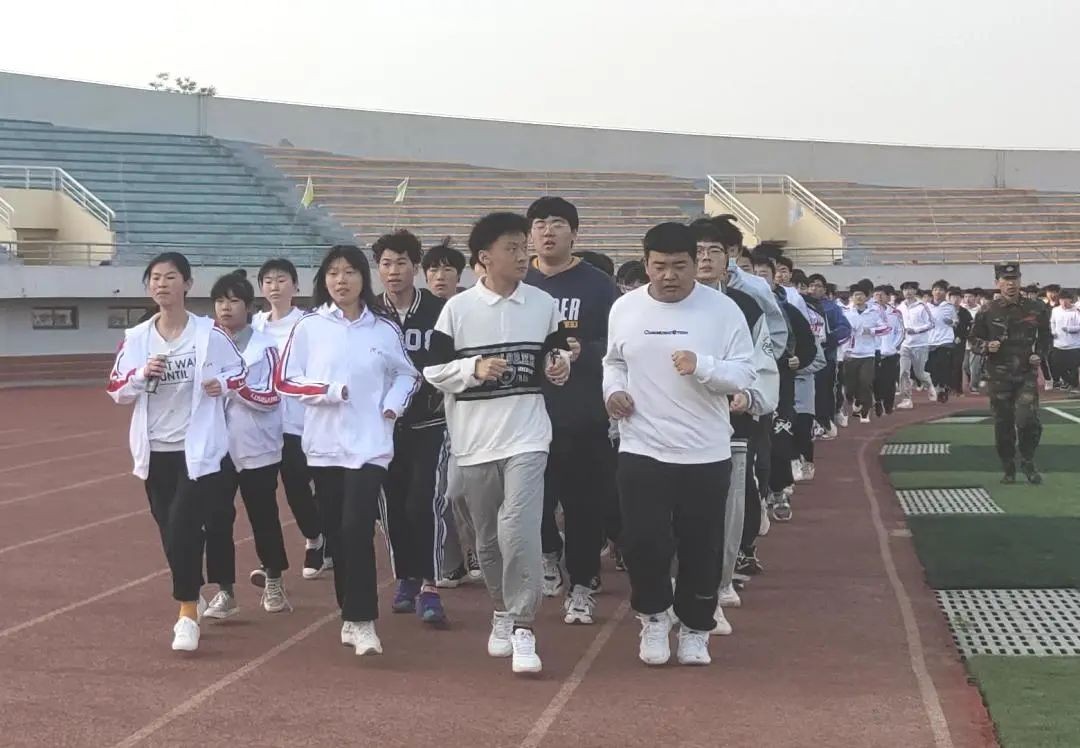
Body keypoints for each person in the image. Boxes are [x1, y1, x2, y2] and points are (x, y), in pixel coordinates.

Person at [424, 212, 572, 675]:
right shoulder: (457, 310)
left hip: (528, 435)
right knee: (487, 538)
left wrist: (559, 365)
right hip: (474, 442)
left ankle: (524, 626)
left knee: (519, 529)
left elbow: (555, 352)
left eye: (523, 246)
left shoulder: (542, 304)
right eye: (512, 248)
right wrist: (473, 369)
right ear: (484, 258)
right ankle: (502, 610)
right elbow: (433, 371)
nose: (523, 255)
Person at [604, 221, 755, 667]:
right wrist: (613, 392)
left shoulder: (723, 310)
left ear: (696, 263)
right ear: (646, 264)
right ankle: (653, 617)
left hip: (704, 450)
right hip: (641, 445)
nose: (669, 276)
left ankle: (695, 628)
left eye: (679, 266)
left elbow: (744, 373)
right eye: (659, 266)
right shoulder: (625, 308)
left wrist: (702, 365)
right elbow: (613, 361)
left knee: (700, 545)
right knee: (643, 542)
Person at [277, 245, 421, 656]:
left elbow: (407, 375)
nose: (342, 280)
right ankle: (349, 614)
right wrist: (328, 391)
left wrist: (392, 406)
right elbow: (286, 380)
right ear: (324, 280)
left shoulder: (382, 328)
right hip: (324, 446)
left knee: (358, 527)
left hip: (370, 445)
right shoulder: (309, 327)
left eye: (350, 272)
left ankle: (362, 621)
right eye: (334, 273)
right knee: (339, 533)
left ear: (363, 277)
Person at [107, 252, 246, 652]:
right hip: (155, 449)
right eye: (155, 278)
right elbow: (116, 388)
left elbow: (240, 371)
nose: (162, 284)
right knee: (169, 529)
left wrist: (222, 384)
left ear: (187, 284)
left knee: (184, 523)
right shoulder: (137, 338)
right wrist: (140, 375)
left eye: (170, 277)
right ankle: (193, 592)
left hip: (197, 449)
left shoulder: (209, 333)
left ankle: (186, 613)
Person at [525, 197, 618, 624]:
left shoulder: (598, 285)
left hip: (584, 416)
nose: (548, 231)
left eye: (558, 223)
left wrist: (587, 351)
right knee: (533, 502)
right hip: (528, 415)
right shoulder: (519, 283)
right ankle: (548, 552)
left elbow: (619, 344)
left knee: (584, 506)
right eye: (540, 224)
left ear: (574, 233)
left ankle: (581, 584)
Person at [691, 218, 778, 628]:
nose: (705, 258)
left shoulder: (746, 307)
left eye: (715, 251)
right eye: (698, 250)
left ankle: (718, 588)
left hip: (731, 429)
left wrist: (750, 396)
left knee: (727, 511)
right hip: (672, 428)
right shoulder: (659, 304)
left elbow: (763, 362)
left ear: (730, 258)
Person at [204, 270, 292, 620]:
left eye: (234, 301)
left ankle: (274, 578)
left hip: (257, 446)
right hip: (216, 447)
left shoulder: (264, 347)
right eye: (220, 301)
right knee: (216, 518)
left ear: (248, 306)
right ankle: (225, 590)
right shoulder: (205, 344)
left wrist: (234, 387)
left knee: (263, 515)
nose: (226, 308)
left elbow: (271, 396)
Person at [375, 230, 453, 624]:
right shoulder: (369, 314)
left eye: (401, 263)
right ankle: (404, 577)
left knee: (423, 501)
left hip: (430, 423)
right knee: (392, 507)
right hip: (383, 428)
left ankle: (430, 584)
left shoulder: (440, 312)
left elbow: (455, 362)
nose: (393, 271)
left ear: (415, 267)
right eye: (386, 264)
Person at [252, 258, 330, 580]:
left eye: (281, 280)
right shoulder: (255, 325)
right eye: (268, 281)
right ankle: (275, 560)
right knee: (264, 492)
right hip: (261, 421)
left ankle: (316, 537)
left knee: (298, 485)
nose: (275, 286)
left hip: (299, 420)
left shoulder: (308, 323)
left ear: (295, 286)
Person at [420, 240, 482, 586]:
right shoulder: (419, 314)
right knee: (437, 493)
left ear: (460, 275)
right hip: (425, 418)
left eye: (447, 269)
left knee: (459, 491)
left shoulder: (469, 310)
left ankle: (478, 547)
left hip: (467, 415)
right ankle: (451, 559)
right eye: (433, 269)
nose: (439, 276)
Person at [969, 263, 1052, 485]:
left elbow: (1046, 337)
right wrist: (986, 346)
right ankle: (1008, 466)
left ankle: (1027, 460)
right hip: (998, 376)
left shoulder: (1036, 308)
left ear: (1020, 281)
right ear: (997, 283)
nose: (1011, 284)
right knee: (1003, 423)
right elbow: (973, 340)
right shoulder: (987, 310)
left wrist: (1039, 354)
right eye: (1006, 280)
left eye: (1014, 279)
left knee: (1028, 420)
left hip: (1025, 373)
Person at [843, 285, 888, 423]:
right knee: (849, 386)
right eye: (856, 295)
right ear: (852, 297)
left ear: (866, 297)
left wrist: (871, 331)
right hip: (851, 354)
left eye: (861, 294)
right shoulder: (846, 313)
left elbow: (886, 328)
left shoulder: (873, 312)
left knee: (866, 382)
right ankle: (855, 400)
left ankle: (865, 411)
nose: (859, 297)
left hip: (868, 354)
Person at [896, 281, 934, 409]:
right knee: (903, 372)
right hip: (905, 344)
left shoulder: (922, 306)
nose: (908, 292)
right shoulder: (899, 308)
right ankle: (907, 399)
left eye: (911, 289)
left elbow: (931, 324)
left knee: (919, 373)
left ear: (915, 291)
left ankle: (929, 384)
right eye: (905, 289)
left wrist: (916, 330)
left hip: (920, 344)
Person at [871, 285, 905, 416]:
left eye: (882, 295)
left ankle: (888, 404)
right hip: (874, 351)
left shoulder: (895, 313)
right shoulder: (870, 311)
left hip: (891, 352)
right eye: (876, 295)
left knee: (890, 380)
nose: (879, 297)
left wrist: (894, 346)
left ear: (888, 296)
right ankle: (878, 401)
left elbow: (900, 331)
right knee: (876, 379)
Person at [926, 280, 958, 403]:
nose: (937, 292)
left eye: (940, 290)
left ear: (945, 293)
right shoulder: (926, 306)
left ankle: (943, 388)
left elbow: (956, 321)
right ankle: (936, 386)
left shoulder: (949, 306)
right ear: (932, 292)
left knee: (943, 365)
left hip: (945, 340)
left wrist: (951, 322)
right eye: (935, 290)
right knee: (932, 367)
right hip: (931, 341)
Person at [1049, 288, 1080, 394]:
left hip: (1074, 345)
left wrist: (1070, 329)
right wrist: (1053, 331)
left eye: (1066, 300)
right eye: (1061, 300)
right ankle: (1069, 382)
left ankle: (1074, 386)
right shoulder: (1055, 310)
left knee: (1073, 367)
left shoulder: (1076, 311)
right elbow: (1052, 322)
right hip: (1059, 344)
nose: (1064, 303)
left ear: (1070, 300)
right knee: (1056, 365)